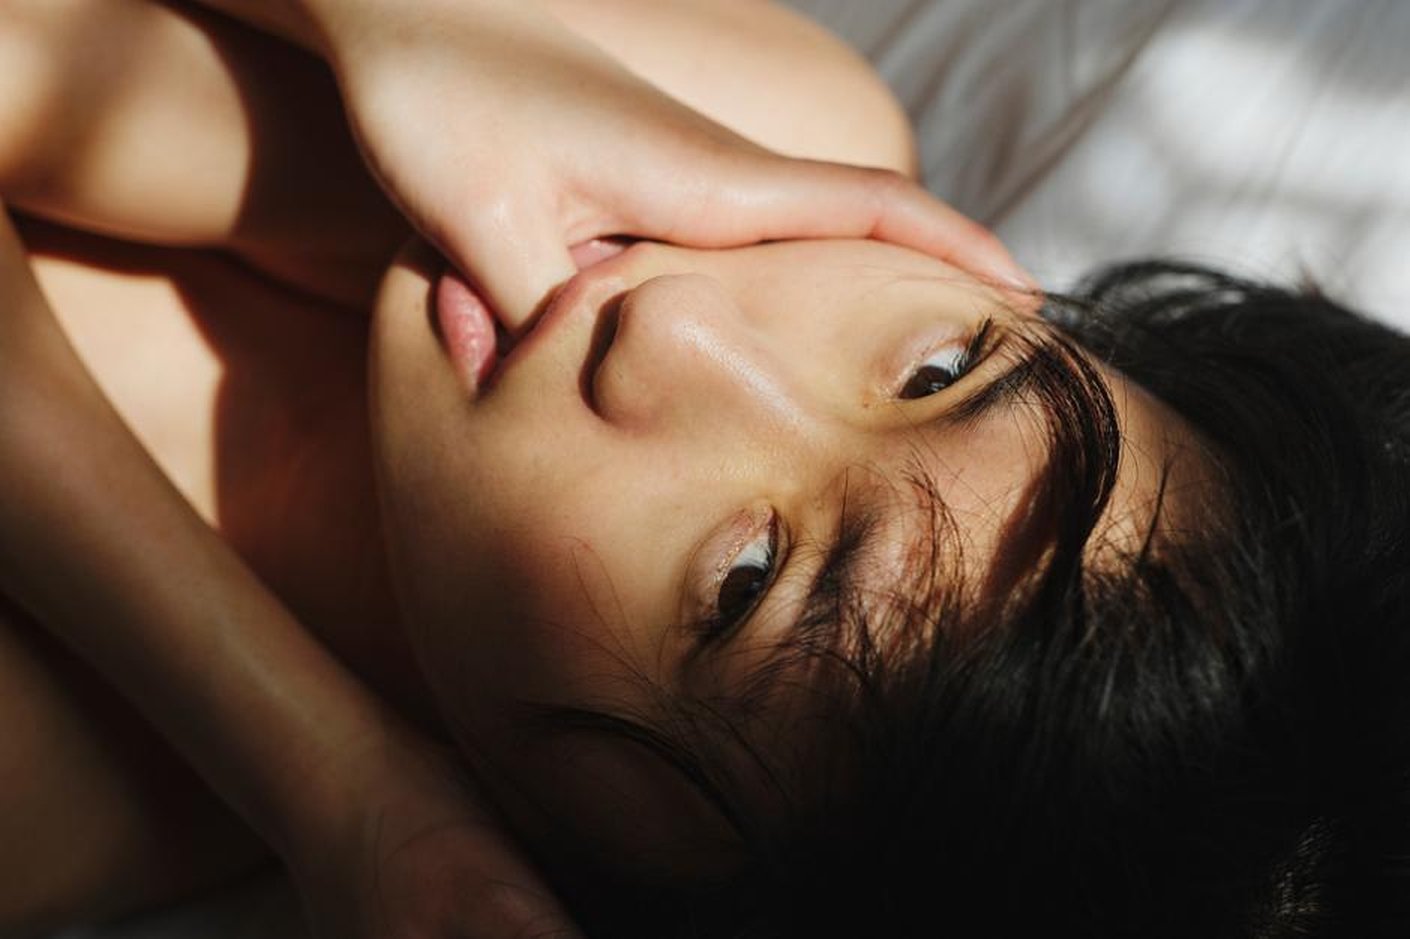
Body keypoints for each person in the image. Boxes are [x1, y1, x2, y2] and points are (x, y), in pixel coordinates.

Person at [2, 3, 1407, 939]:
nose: (676, 325)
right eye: (943, 371)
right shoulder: (786, 129)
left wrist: (320, 771)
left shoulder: (51, 786)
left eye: (746, 580)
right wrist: (413, 29)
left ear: (594, 869)